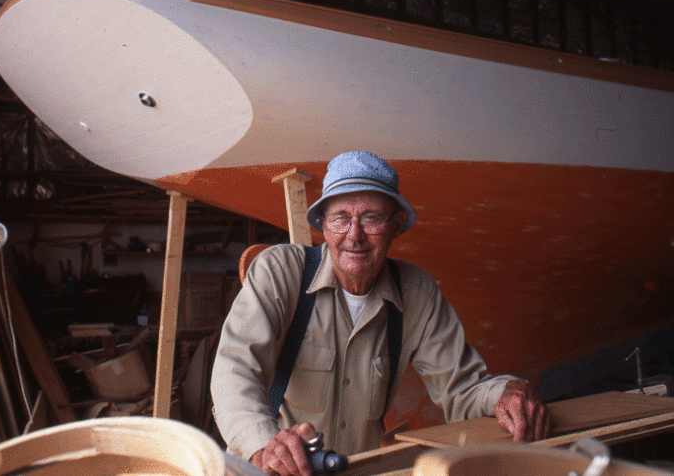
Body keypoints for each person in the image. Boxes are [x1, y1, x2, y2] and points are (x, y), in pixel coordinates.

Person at [211, 151, 549, 476]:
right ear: (324, 226)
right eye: (341, 218)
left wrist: (504, 395)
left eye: (371, 218)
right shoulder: (280, 272)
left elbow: (462, 388)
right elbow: (234, 370)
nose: (354, 236)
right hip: (271, 469)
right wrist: (262, 445)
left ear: (396, 225)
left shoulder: (417, 292)